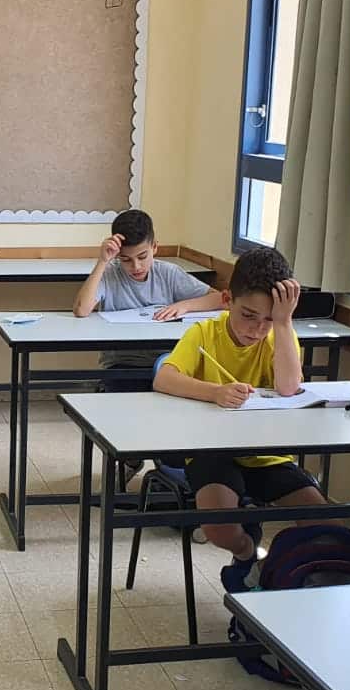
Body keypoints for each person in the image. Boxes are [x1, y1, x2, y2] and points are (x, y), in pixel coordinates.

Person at [153, 245, 323, 591]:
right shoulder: (204, 333)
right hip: (212, 450)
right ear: (227, 300)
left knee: (322, 521)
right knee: (220, 527)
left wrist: (284, 323)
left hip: (265, 454)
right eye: (248, 315)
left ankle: (276, 573)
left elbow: (289, 388)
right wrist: (214, 392)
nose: (257, 329)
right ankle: (247, 552)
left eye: (268, 319)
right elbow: (164, 378)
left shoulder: (279, 336)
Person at [73, 208, 223, 392]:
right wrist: (103, 261)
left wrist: (184, 306)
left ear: (155, 247)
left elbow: (221, 299)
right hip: (123, 363)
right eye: (126, 259)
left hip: (169, 361)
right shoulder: (110, 273)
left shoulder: (168, 273)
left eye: (142, 257)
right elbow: (81, 310)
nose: (136, 266)